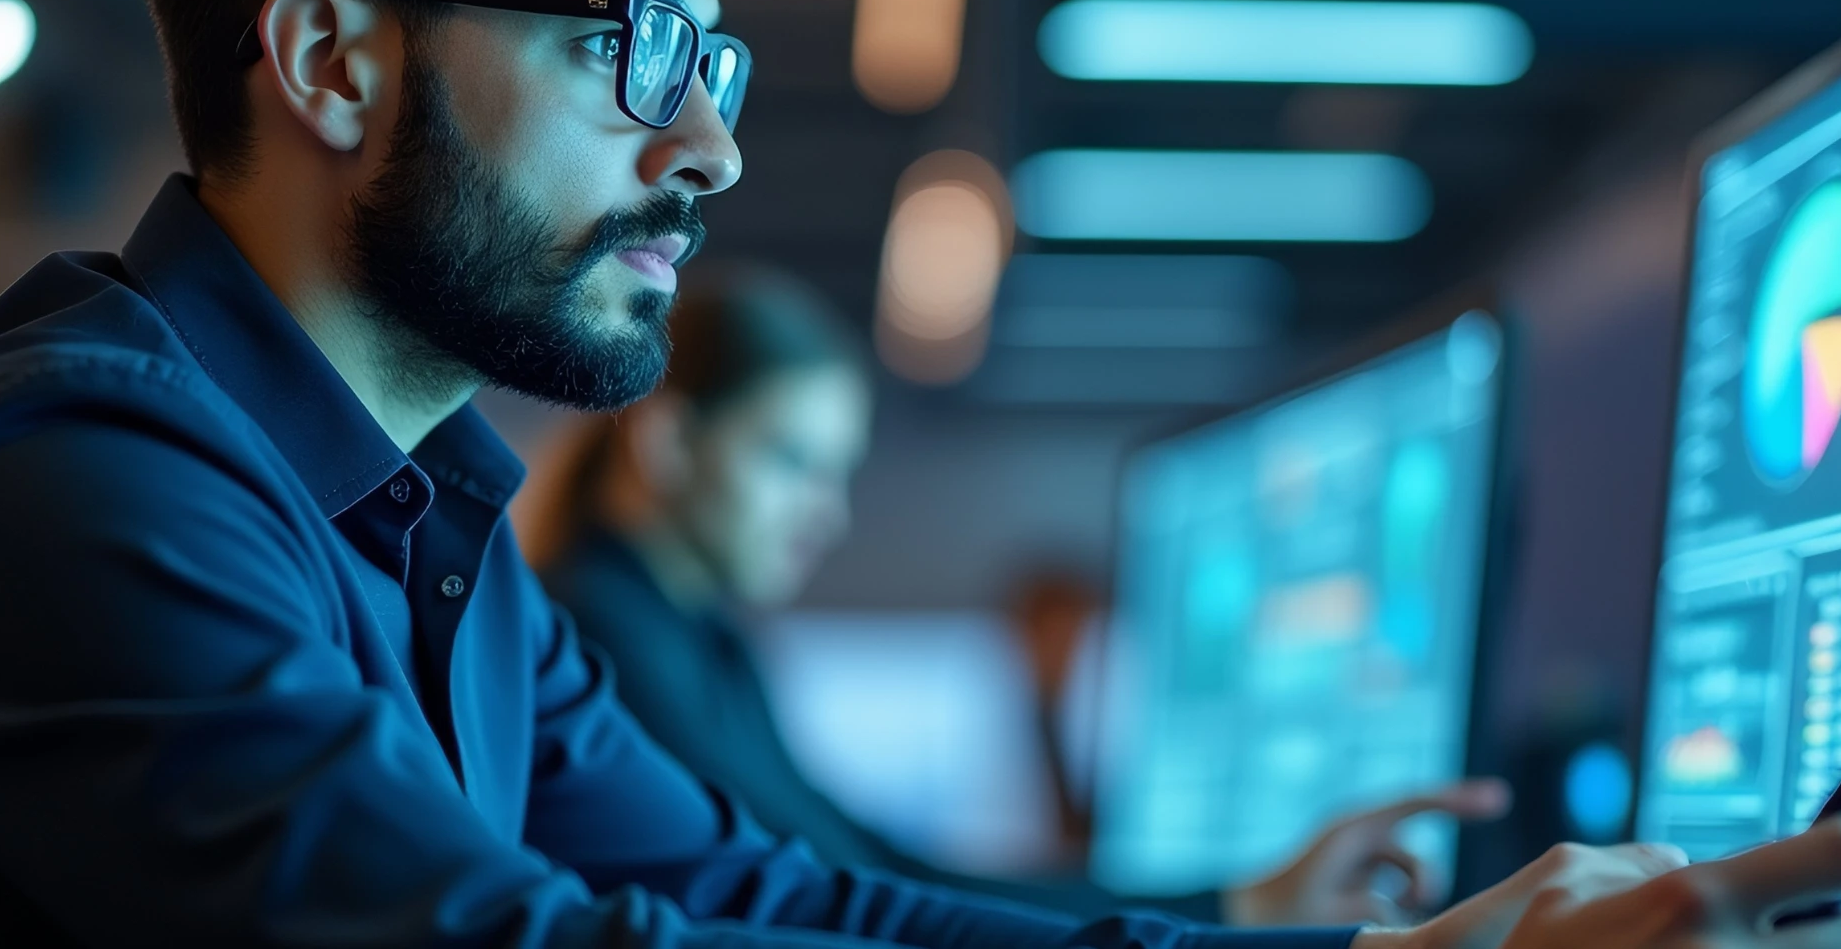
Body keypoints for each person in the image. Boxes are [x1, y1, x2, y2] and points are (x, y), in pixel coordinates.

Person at [0, 0, 1841, 946]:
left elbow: (761, 894)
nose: (710, 153)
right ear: (332, 60)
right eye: (628, 50)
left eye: (719, 68)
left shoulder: (424, 527)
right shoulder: (80, 478)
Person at [533, 268, 1503, 928]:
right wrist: (1237, 917)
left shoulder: (701, 643)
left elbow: (869, 863)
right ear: (663, 443)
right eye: (792, 463)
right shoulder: (600, 644)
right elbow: (840, 896)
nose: (826, 517)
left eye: (838, 477)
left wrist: (1232, 911)